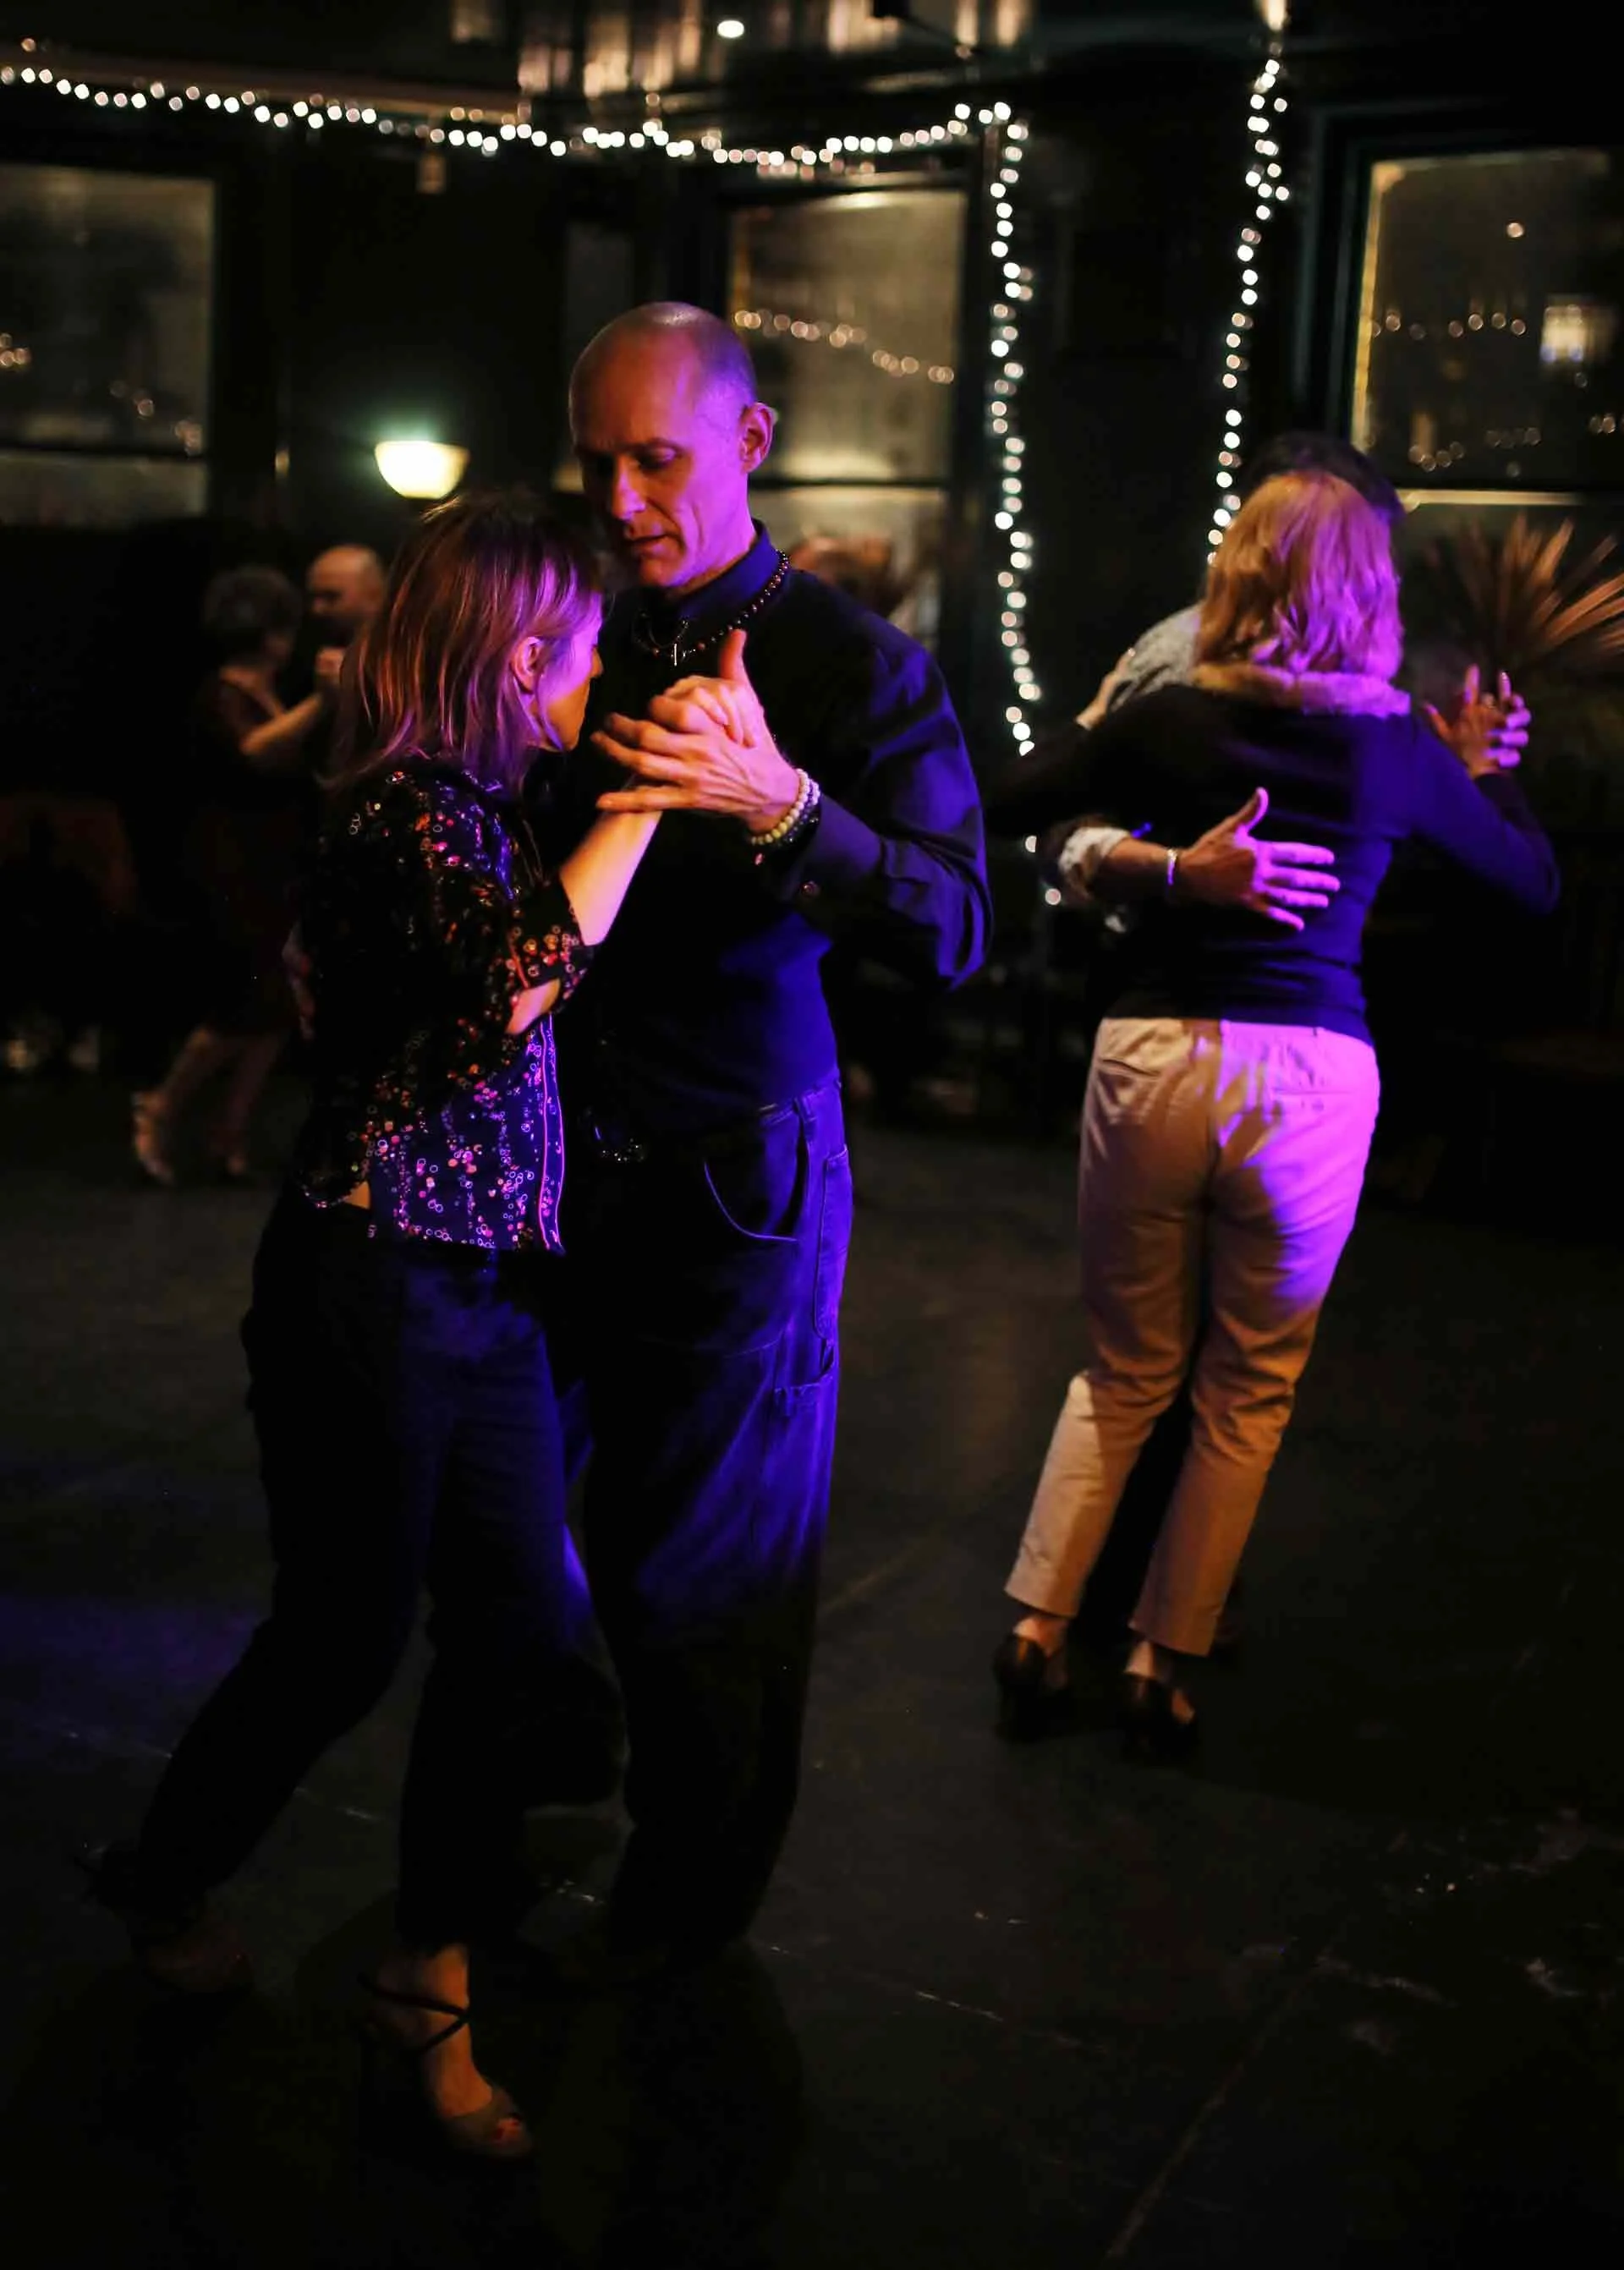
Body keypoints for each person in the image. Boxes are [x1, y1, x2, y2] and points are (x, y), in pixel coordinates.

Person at [86, 492, 661, 2162]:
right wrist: (640, 801)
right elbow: (514, 983)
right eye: (587, 639)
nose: (606, 665)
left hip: (477, 1295)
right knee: (341, 1638)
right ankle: (165, 1872)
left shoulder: (481, 806)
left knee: (512, 1636)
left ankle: (429, 1968)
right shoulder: (409, 812)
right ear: (526, 649)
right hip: (371, 1279)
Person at [535, 300, 988, 1978]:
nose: (626, 494)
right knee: (503, 1506)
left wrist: (784, 807)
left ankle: (687, 1912)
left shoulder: (854, 665)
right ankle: (557, 1770)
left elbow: (952, 927)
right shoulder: (565, 620)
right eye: (598, 461)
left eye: (658, 456)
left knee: (709, 1562)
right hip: (543, 1149)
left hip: (738, 1168)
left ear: (748, 441)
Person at [991, 470, 1558, 1758]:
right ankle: (1156, 1661)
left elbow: (1001, 805)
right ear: (1373, 596)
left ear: (1234, 577)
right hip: (1310, 1079)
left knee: (1123, 1371)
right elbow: (1527, 886)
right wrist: (1484, 775)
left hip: (1151, 1057)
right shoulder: (1399, 747)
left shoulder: (1167, 719)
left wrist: (1152, 863)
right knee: (1246, 1389)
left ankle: (1034, 1633)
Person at [131, 567, 333, 1186]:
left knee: (277, 1005)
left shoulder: (270, 688)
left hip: (276, 862)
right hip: (233, 863)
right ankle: (161, 1105)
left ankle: (230, 1130)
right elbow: (253, 752)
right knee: (243, 1002)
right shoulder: (222, 692)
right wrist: (325, 699)